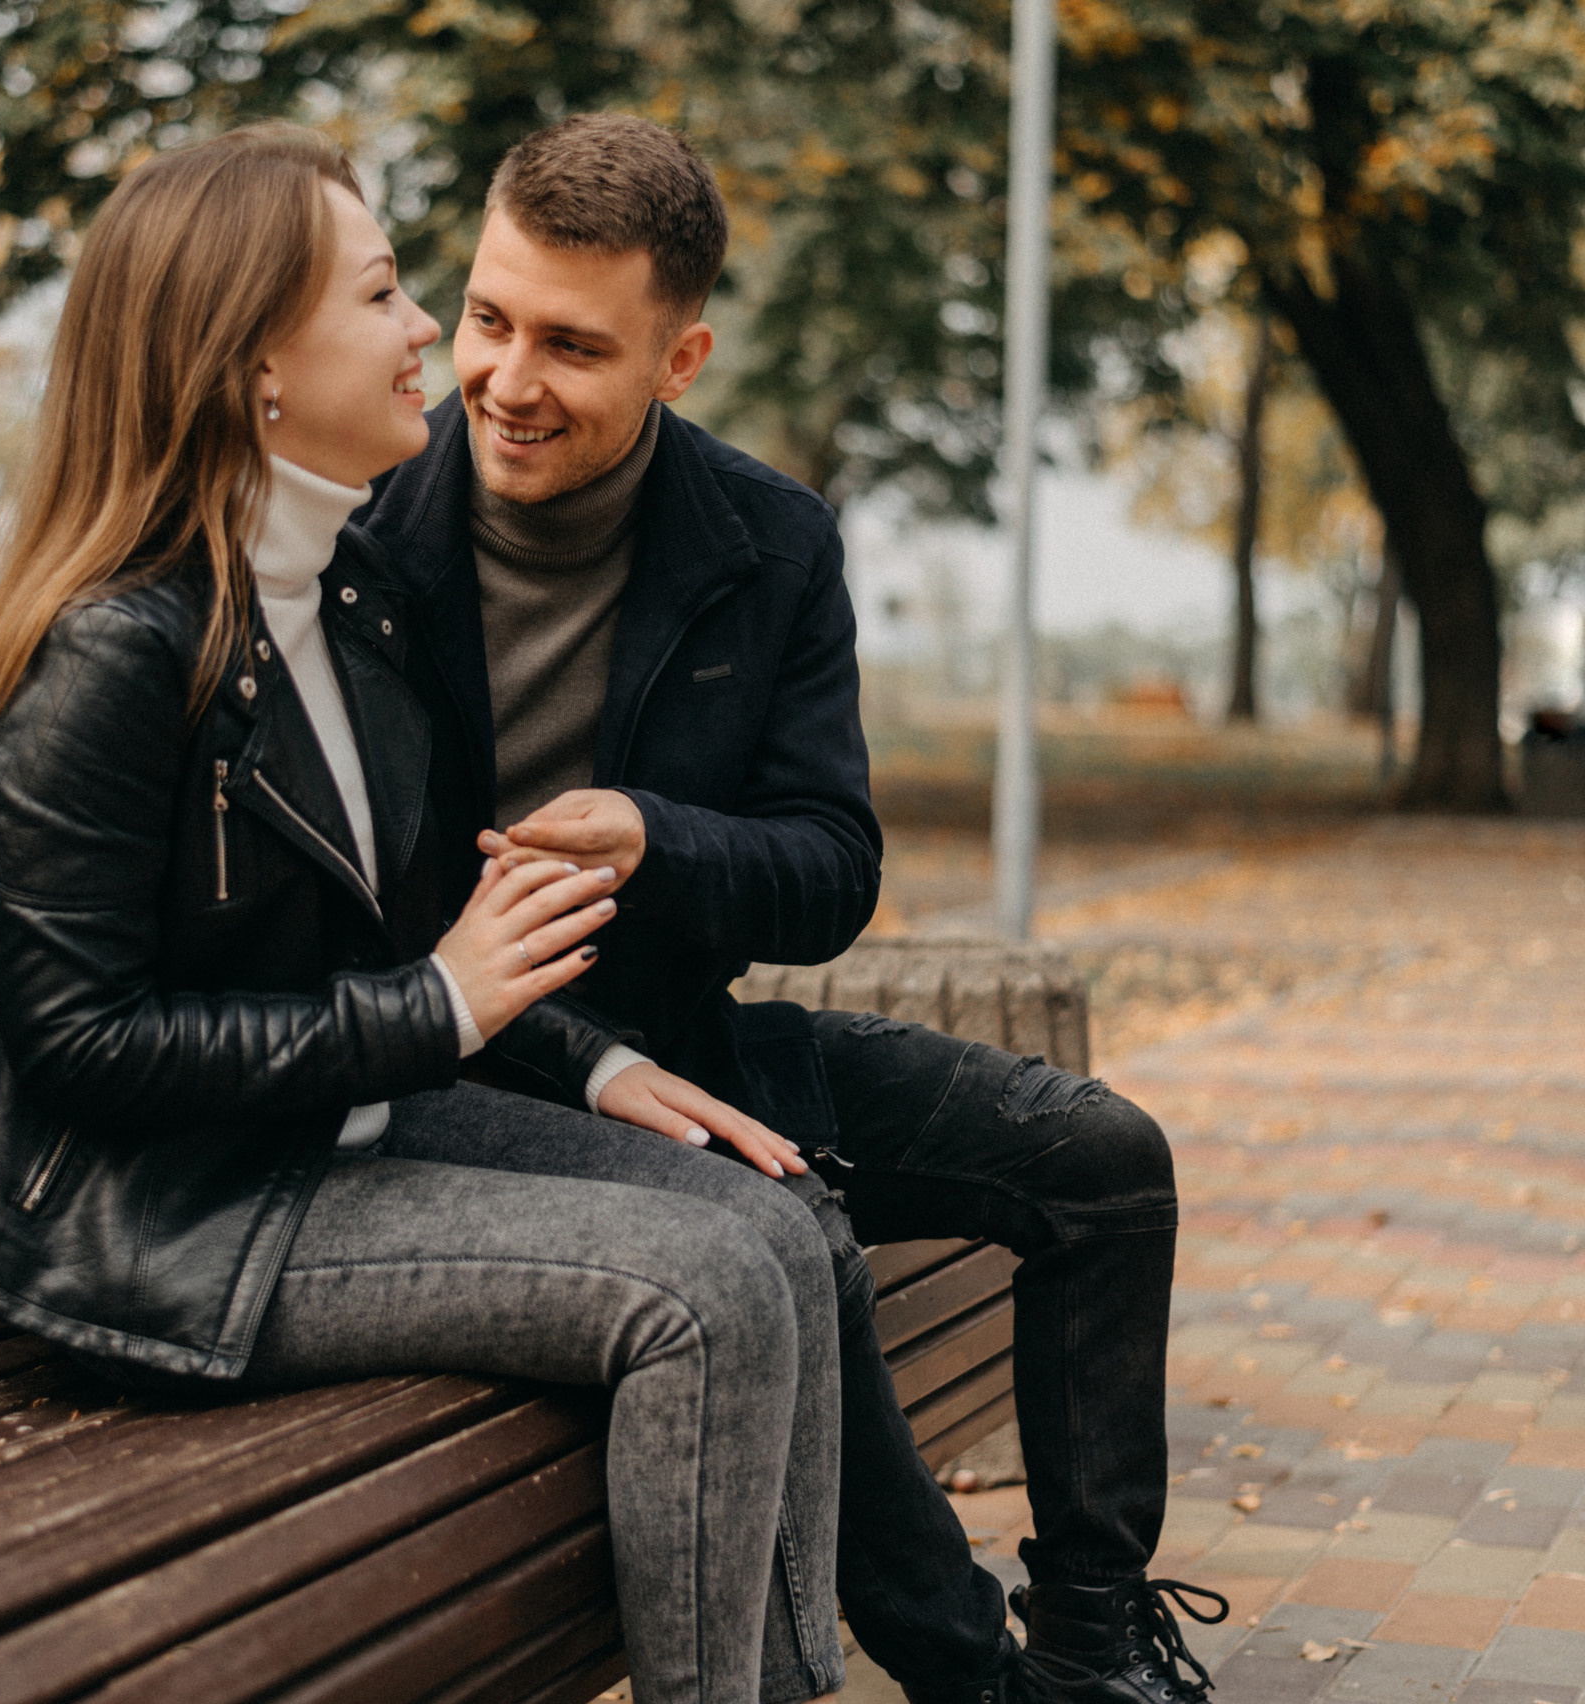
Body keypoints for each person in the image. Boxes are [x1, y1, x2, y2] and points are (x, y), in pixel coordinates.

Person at [0, 124, 849, 1704]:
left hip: (332, 1138)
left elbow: (415, 933)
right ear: (255, 369)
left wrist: (599, 1068)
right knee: (701, 1297)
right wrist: (433, 1015)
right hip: (178, 1220)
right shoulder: (119, 656)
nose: (432, 333)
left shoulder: (338, 600)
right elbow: (80, 1049)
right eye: (386, 295)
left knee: (788, 1223)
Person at [360, 114, 1227, 1704]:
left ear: (679, 356)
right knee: (798, 1237)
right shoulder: (362, 534)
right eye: (487, 319)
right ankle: (987, 1686)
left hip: (707, 1049)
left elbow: (833, 868)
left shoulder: (768, 544)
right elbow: (360, 920)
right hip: (478, 1088)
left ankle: (1098, 1640)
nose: (505, 379)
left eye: (573, 345)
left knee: (1107, 1162)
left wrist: (652, 837)